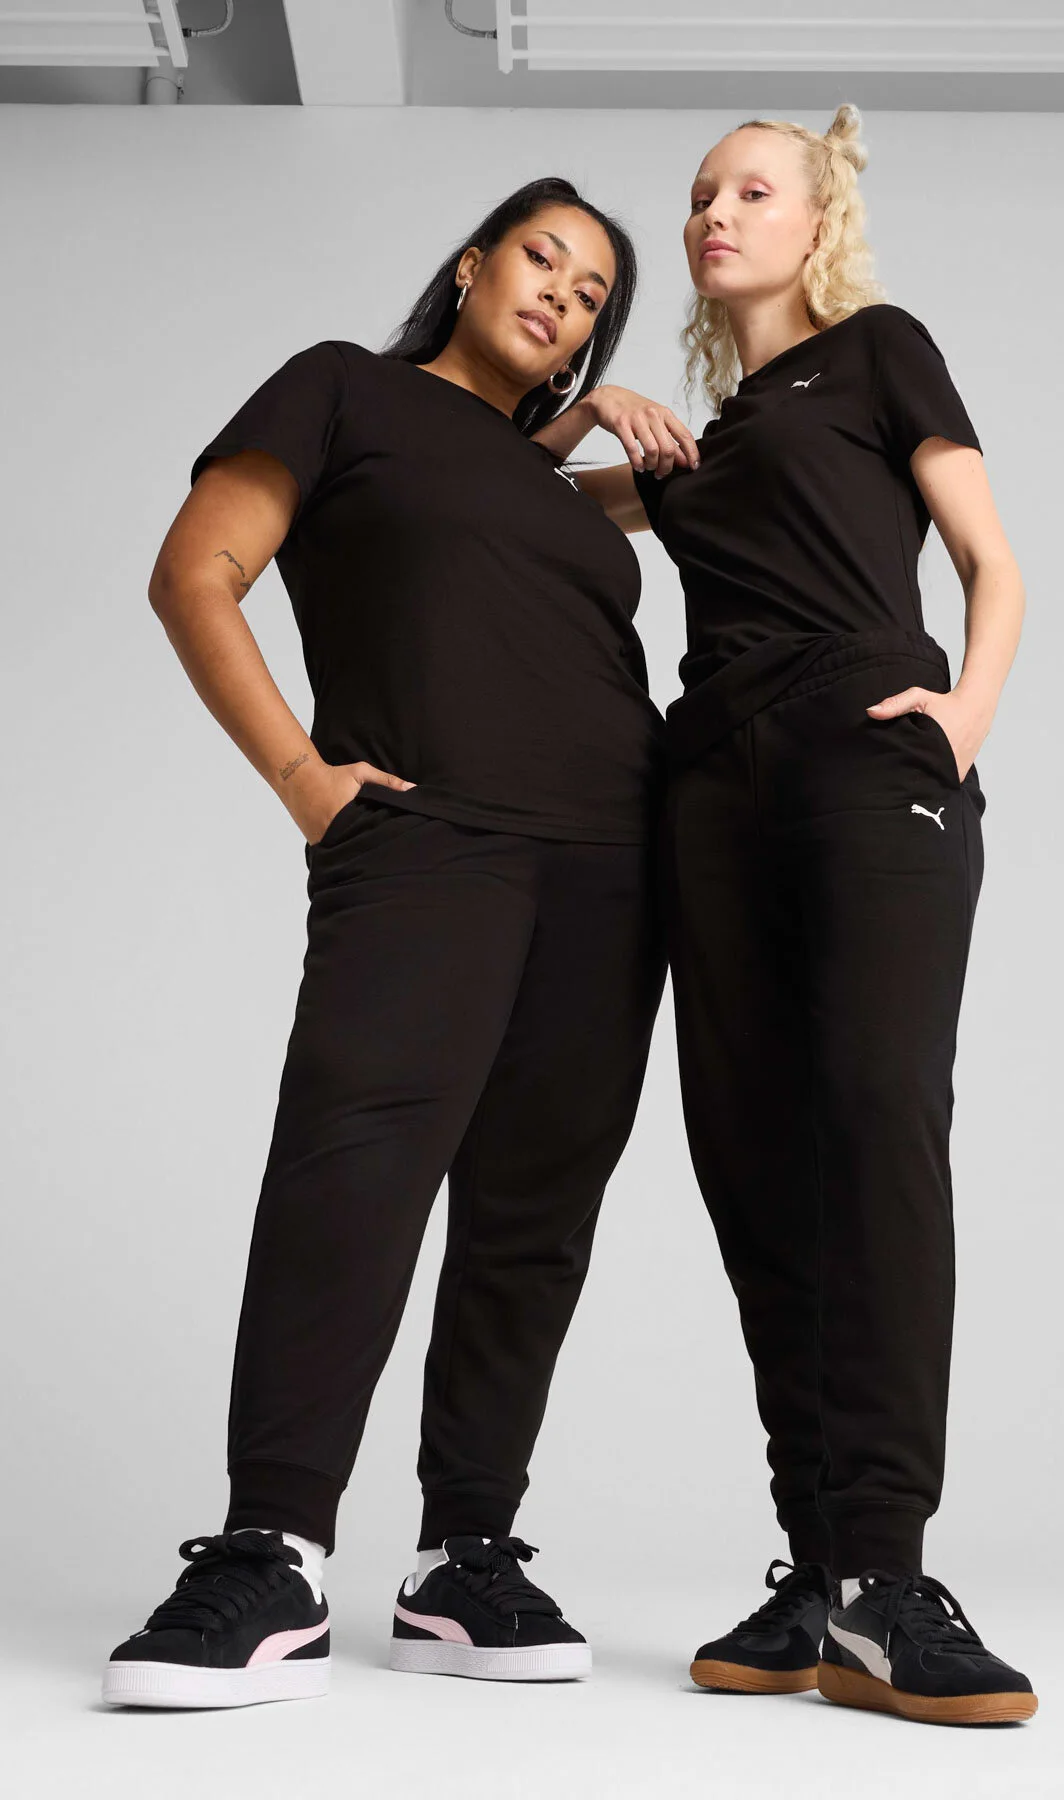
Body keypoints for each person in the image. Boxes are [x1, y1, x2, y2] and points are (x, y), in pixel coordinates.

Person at [101, 176, 695, 1708]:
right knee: (353, 1167)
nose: (562, 295)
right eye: (543, 258)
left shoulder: (545, 482)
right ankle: (270, 1549)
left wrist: (589, 430)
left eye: (592, 295)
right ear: (473, 263)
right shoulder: (342, 391)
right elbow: (193, 573)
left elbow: (549, 500)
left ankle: (462, 1560)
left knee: (535, 1210)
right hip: (429, 837)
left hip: (613, 861)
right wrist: (305, 779)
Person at [538, 106, 1036, 1726]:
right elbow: (499, 491)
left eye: (753, 189)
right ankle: (820, 1572)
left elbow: (991, 560)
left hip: (862, 748)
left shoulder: (880, 352)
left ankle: (891, 1571)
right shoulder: (695, 447)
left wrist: (962, 719)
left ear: (816, 223)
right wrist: (580, 410)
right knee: (752, 1162)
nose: (716, 212)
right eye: (701, 192)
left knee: (877, 1119)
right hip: (709, 788)